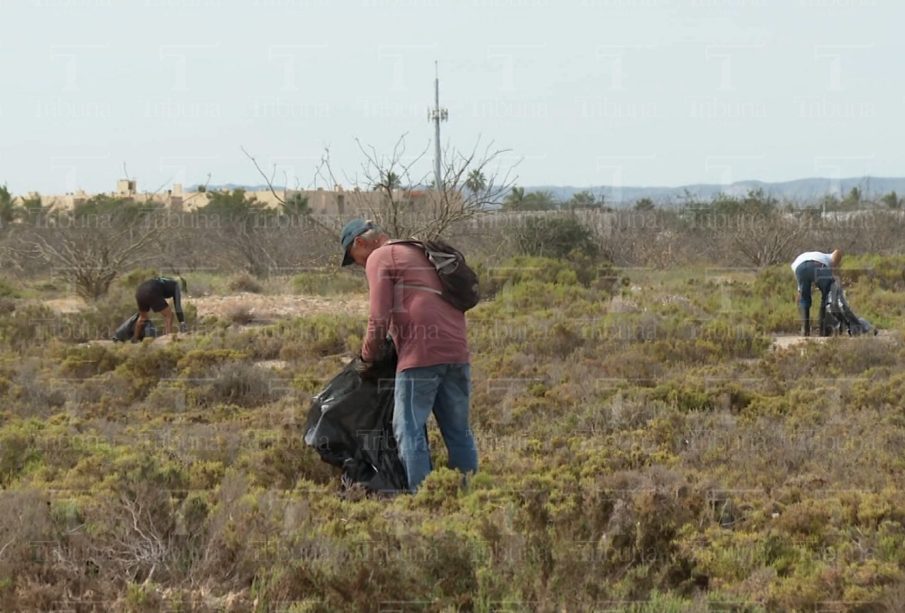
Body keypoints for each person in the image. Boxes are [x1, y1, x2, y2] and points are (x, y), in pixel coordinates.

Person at [340, 218, 478, 492]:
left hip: (420, 355)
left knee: (408, 430)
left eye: (353, 258)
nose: (358, 264)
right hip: (456, 350)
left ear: (360, 242)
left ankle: (425, 498)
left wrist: (367, 357)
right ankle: (469, 494)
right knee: (458, 431)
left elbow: (378, 318)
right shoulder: (418, 251)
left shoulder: (380, 256)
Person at [791, 249, 842, 337]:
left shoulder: (804, 258)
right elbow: (837, 252)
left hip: (799, 267)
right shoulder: (828, 257)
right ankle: (824, 329)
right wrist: (833, 269)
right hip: (818, 265)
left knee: (804, 298)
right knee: (827, 295)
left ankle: (805, 330)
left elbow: (800, 291)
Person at [133, 275, 188, 341]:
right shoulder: (176, 285)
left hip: (140, 291)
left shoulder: (165, 280)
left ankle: (135, 339)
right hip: (152, 290)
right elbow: (178, 306)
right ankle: (168, 338)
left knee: (143, 318)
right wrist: (181, 321)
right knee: (169, 315)